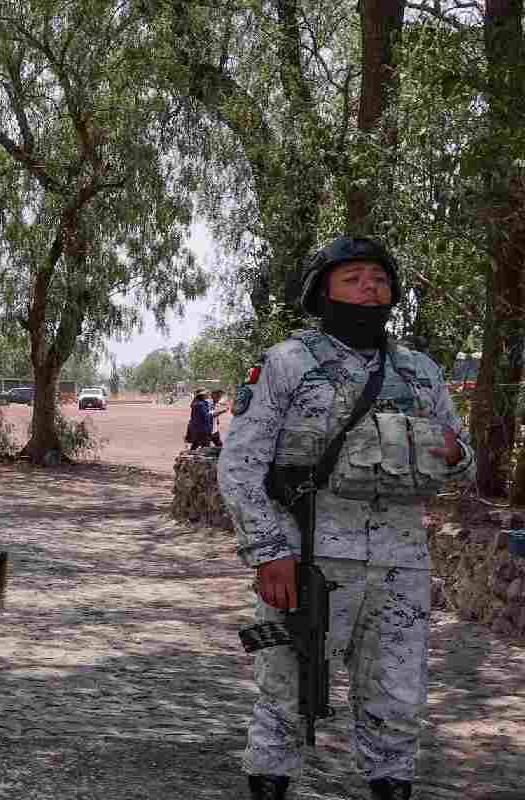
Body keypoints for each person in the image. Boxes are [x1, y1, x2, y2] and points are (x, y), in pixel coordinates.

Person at [217, 236, 475, 800]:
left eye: (379, 279)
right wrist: (268, 552)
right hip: (308, 559)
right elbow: (239, 467)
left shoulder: (421, 373)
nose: (369, 287)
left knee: (399, 703)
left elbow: (464, 462)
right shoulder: (287, 364)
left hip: (400, 566)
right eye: (354, 277)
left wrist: (454, 453)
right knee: (285, 695)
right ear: (322, 290)